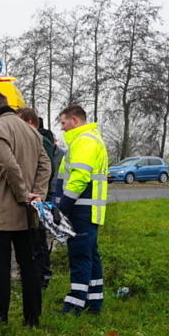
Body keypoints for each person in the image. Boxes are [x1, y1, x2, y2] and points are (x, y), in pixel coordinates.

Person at [0, 92, 52, 328]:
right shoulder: (30, 130)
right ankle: (32, 318)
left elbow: (8, 164)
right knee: (28, 264)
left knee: (1, 265)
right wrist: (36, 195)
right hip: (26, 211)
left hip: (2, 207)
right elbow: (45, 165)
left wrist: (22, 195)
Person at [54, 104, 109, 315]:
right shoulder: (90, 139)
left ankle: (74, 306)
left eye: (64, 122)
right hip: (88, 211)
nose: (63, 127)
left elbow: (79, 178)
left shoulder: (84, 141)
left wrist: (63, 207)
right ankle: (94, 304)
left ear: (75, 120)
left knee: (80, 258)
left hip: (80, 211)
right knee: (90, 257)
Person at [17, 108, 56, 287]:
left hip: (40, 198)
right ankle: (34, 275)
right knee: (32, 238)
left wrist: (38, 194)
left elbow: (45, 169)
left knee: (38, 238)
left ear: (31, 122)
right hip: (34, 196)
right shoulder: (34, 138)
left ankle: (42, 277)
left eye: (20, 122)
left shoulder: (41, 140)